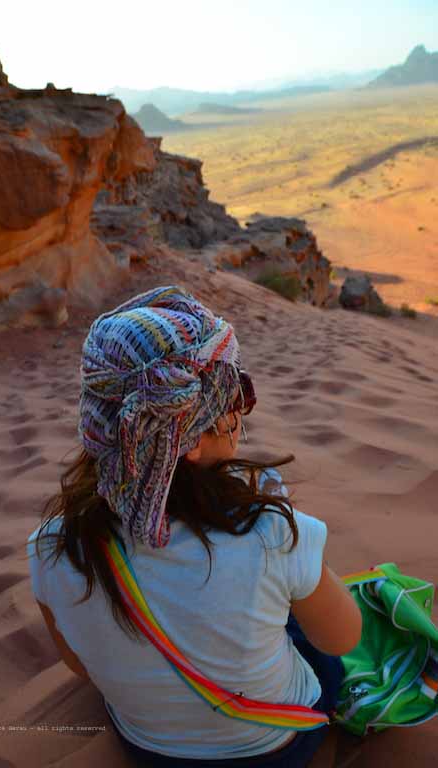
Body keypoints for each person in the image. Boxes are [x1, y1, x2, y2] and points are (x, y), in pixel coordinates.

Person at [27, 285, 362, 767]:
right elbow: (343, 639)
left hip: (148, 749)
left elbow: (81, 667)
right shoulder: (269, 532)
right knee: (307, 627)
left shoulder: (51, 546)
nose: (241, 411)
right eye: (236, 396)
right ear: (194, 441)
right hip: (273, 749)